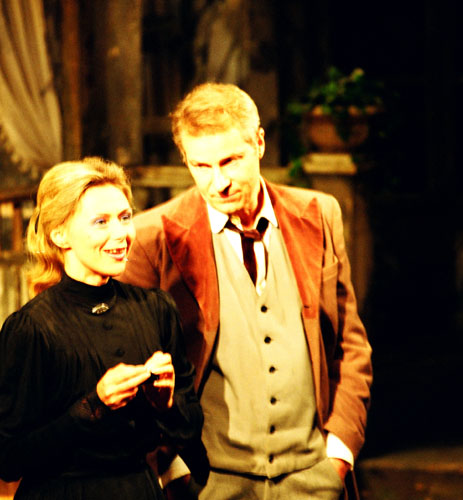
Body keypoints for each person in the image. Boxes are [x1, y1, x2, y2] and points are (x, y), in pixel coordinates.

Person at [120, 83, 373, 500]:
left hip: (315, 477)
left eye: (230, 161)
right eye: (201, 166)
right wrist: (173, 467)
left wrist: (339, 454)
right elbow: (135, 367)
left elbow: (350, 344)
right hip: (210, 483)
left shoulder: (319, 214)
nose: (218, 182)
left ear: (259, 143)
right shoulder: (153, 237)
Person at [0, 157, 209, 500]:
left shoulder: (155, 309)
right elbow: (7, 458)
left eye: (125, 217)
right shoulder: (32, 329)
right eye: (101, 222)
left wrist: (165, 405)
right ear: (60, 234)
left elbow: (190, 427)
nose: (120, 234)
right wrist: (94, 405)